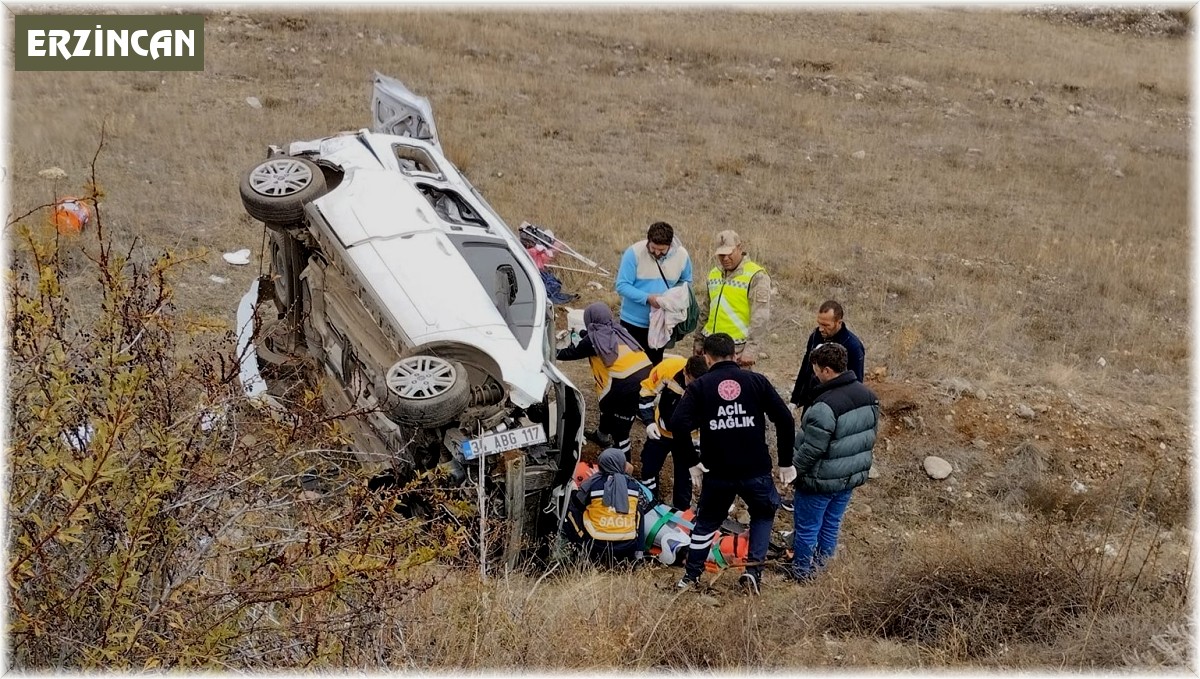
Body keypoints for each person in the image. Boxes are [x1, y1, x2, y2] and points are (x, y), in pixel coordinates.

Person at [669, 333, 794, 595]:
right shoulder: (756, 381)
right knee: (762, 514)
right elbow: (784, 418)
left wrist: (692, 462)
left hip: (718, 471)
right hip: (755, 468)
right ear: (735, 355)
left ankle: (691, 576)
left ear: (706, 356)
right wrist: (785, 462)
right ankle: (752, 572)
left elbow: (678, 424)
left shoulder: (700, 386)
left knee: (706, 523)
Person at [787, 343, 879, 581]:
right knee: (831, 525)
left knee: (807, 529)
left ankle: (801, 574)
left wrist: (793, 471)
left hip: (819, 481)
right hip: (848, 478)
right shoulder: (868, 396)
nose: (814, 373)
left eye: (816, 368)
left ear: (826, 370)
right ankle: (821, 571)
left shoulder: (824, 406)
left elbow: (812, 448)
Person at [557, 302, 653, 460]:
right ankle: (601, 436)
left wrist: (549, 351)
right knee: (607, 406)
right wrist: (583, 334)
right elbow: (598, 340)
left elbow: (569, 353)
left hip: (626, 385)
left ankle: (623, 467)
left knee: (620, 430)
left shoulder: (593, 341)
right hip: (646, 377)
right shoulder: (618, 330)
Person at [636, 354, 709, 510]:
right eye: (692, 382)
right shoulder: (669, 368)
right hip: (661, 431)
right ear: (685, 372)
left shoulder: (709, 384)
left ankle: (681, 510)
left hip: (689, 437)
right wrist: (649, 422)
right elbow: (647, 391)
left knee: (685, 476)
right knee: (649, 466)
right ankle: (649, 500)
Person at [615, 221, 693, 365]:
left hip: (662, 323)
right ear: (648, 240)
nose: (657, 253)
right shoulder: (633, 253)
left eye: (662, 250)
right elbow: (622, 285)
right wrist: (647, 298)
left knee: (654, 365)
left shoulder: (682, 255)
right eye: (653, 248)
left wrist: (671, 297)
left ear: (670, 245)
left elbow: (686, 281)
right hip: (633, 322)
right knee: (631, 365)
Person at [693, 230, 771, 368]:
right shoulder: (714, 273)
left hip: (736, 349)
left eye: (729, 253)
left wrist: (751, 349)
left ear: (740, 248)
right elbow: (705, 310)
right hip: (710, 345)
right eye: (721, 255)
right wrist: (698, 340)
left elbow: (760, 316)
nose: (725, 258)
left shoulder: (756, 276)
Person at [563, 448, 645, 564]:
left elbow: (577, 504)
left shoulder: (593, 484)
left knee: (570, 512)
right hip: (627, 546)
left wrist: (574, 490)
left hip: (596, 545)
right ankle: (639, 554)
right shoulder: (633, 486)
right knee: (639, 511)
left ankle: (581, 552)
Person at [789, 300, 866, 411]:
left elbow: (856, 383)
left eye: (825, 325)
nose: (821, 328)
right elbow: (806, 368)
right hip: (812, 400)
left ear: (838, 323)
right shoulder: (816, 336)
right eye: (819, 323)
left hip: (835, 406)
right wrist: (795, 399)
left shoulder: (853, 347)